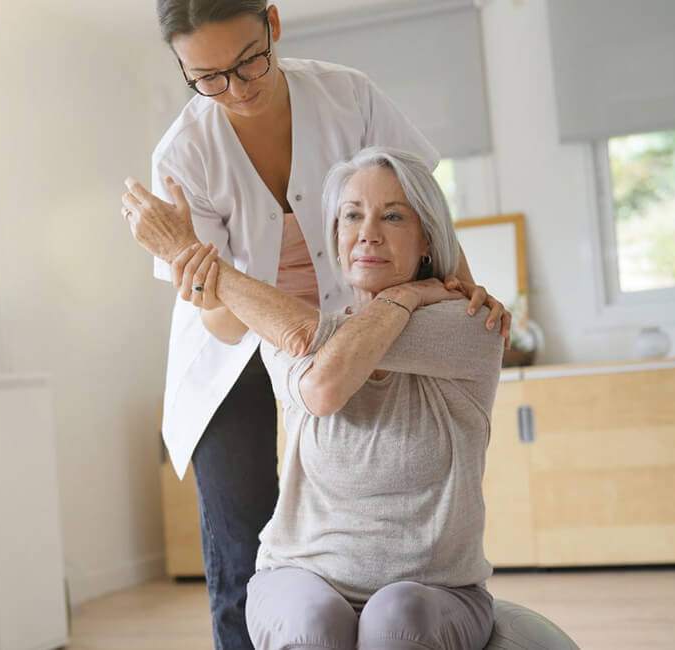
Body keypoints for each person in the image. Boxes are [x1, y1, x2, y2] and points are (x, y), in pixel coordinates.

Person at [145, 2, 510, 647]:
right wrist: (215, 281)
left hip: (360, 322)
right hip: (242, 343)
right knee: (239, 547)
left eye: (250, 60)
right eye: (207, 78)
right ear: (183, 68)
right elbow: (227, 325)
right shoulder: (184, 153)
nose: (237, 89)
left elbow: (419, 198)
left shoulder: (349, 97)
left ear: (274, 24)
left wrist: (459, 292)